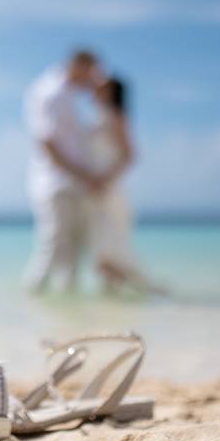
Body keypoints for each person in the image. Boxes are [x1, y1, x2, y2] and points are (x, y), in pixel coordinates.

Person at [23, 50, 103, 292]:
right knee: (54, 242)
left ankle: (66, 311)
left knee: (73, 245)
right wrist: (83, 174)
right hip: (54, 181)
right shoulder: (51, 91)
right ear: (78, 66)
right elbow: (47, 142)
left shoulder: (65, 93)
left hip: (69, 181)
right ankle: (33, 295)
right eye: (91, 72)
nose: (93, 78)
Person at [86, 77, 163, 294]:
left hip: (109, 190)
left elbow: (130, 155)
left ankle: (145, 292)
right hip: (97, 190)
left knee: (110, 252)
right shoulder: (100, 116)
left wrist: (104, 179)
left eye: (102, 86)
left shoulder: (117, 117)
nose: (96, 88)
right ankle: (114, 305)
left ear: (111, 92)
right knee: (103, 252)